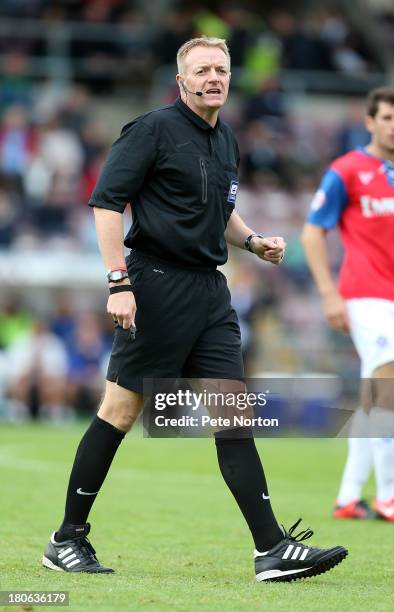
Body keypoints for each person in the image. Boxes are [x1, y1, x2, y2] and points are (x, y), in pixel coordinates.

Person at [43, 37, 347, 581]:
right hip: (155, 284)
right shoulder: (151, 130)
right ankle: (66, 539)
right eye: (202, 69)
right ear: (180, 80)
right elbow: (107, 203)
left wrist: (253, 242)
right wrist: (118, 282)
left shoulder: (225, 138)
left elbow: (220, 210)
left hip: (211, 291)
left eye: (222, 69)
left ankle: (270, 548)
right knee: (121, 412)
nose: (214, 77)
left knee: (234, 416)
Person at [302, 87, 394, 522]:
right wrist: (327, 293)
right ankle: (389, 496)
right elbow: (312, 231)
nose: (393, 126)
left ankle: (348, 497)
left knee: (373, 397)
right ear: (371, 121)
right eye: (388, 117)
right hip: (366, 293)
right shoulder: (347, 171)